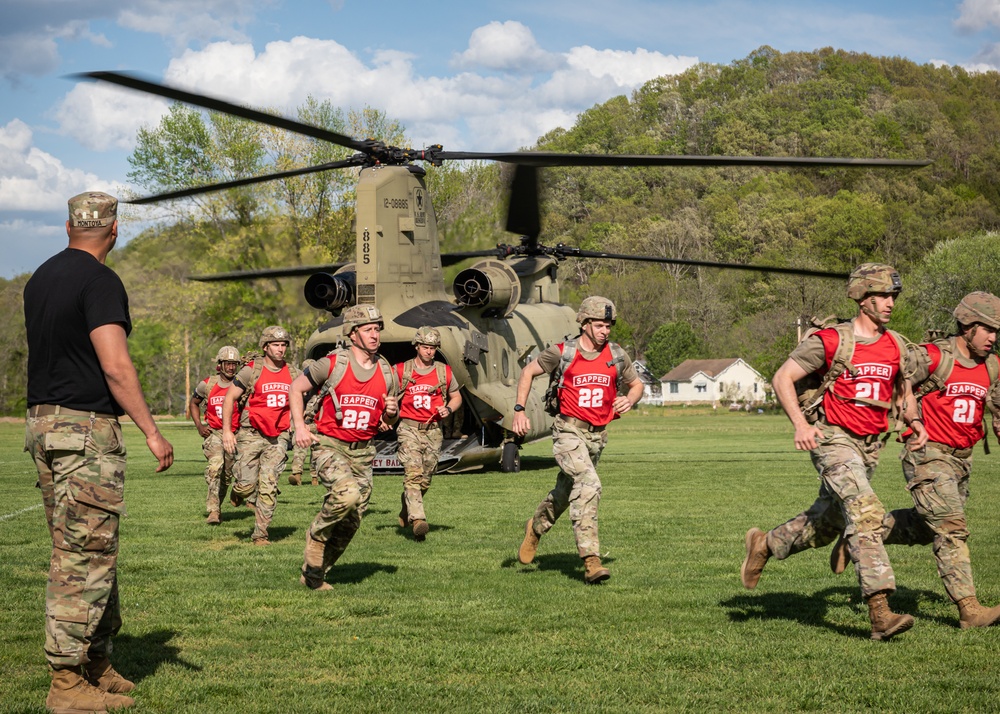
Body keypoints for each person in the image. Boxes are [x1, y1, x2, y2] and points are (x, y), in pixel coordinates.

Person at [24, 191, 173, 712]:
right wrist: (152, 431)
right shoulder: (100, 280)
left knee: (87, 549)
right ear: (114, 229)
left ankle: (95, 662)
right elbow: (115, 366)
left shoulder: (41, 276)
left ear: (69, 226)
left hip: (43, 426)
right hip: (85, 431)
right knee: (82, 556)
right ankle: (66, 685)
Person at [741, 263, 927, 641]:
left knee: (826, 526)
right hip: (833, 439)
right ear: (862, 297)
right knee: (865, 511)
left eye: (893, 296)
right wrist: (800, 424)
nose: (890, 303)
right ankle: (880, 612)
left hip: (870, 447)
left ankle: (765, 544)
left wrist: (915, 422)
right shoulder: (830, 340)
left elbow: (904, 394)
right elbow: (782, 378)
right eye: (882, 296)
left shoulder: (898, 345)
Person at [830, 292, 1000, 629]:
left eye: (997, 331)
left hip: (961, 459)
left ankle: (864, 534)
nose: (993, 338)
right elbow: (893, 375)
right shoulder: (933, 357)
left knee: (926, 527)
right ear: (967, 326)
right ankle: (969, 609)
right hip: (927, 453)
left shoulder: (993, 365)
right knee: (952, 529)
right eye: (988, 330)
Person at [513, 296, 643, 584]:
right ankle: (591, 560)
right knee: (589, 484)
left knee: (564, 493)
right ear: (584, 324)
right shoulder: (563, 353)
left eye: (608, 325)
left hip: (597, 436)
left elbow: (636, 384)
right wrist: (519, 411)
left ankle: (535, 527)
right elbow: (528, 372)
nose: (605, 331)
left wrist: (630, 399)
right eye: (599, 325)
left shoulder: (617, 355)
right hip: (567, 431)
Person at [289, 305, 399, 590]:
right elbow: (295, 388)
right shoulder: (332, 363)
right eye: (368, 330)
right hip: (330, 445)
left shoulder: (387, 371)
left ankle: (314, 574)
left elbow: (388, 419)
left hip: (363, 451)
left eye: (377, 329)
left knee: (352, 522)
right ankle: (316, 534)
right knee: (346, 495)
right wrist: (300, 427)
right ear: (353, 334)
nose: (375, 335)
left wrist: (390, 412)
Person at [221, 326, 298, 546]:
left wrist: (297, 423)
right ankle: (239, 492)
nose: (281, 349)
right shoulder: (250, 371)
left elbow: (303, 397)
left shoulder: (294, 373)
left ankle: (261, 534)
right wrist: (227, 431)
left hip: (278, 437)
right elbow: (229, 399)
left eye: (284, 345)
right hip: (251, 433)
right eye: (276, 345)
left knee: (269, 484)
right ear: (265, 347)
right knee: (246, 485)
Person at [394, 326, 463, 540]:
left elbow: (456, 397)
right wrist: (385, 417)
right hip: (408, 429)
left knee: (425, 479)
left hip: (433, 431)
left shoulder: (444, 371)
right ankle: (419, 520)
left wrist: (449, 408)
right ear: (416, 346)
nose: (429, 352)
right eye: (425, 347)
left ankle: (408, 505)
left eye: (433, 348)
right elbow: (385, 395)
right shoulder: (401, 370)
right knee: (413, 474)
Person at [189, 346, 242, 524]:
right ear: (220, 364)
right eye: (228, 364)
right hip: (215, 433)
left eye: (234, 364)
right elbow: (194, 403)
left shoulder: (242, 384)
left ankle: (219, 502)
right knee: (215, 467)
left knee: (227, 476)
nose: (231, 368)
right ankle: (213, 511)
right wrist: (199, 425)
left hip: (235, 434)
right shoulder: (208, 384)